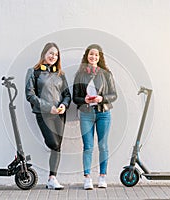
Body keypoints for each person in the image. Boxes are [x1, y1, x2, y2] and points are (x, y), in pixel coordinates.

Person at [25, 42, 71, 190]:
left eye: (56, 55)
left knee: (57, 147)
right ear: (44, 54)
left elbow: (66, 95)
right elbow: (30, 95)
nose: (53, 56)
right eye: (51, 53)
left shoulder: (60, 74)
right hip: (44, 114)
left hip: (59, 115)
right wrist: (48, 107)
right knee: (53, 143)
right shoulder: (34, 72)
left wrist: (64, 105)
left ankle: (52, 178)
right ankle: (52, 176)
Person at [73, 44, 117, 190]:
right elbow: (75, 97)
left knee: (103, 146)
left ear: (100, 57)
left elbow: (114, 95)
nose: (93, 57)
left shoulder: (106, 74)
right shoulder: (80, 74)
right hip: (86, 113)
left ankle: (102, 177)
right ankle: (87, 178)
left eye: (96, 55)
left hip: (103, 113)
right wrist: (83, 100)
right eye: (91, 54)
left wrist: (101, 98)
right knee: (88, 146)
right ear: (87, 56)